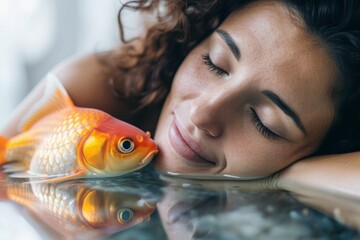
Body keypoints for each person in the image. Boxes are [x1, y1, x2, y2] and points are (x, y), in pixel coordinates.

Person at [1, 1, 360, 194]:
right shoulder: (98, 92)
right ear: (193, 41)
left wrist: (287, 177)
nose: (203, 113)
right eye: (215, 63)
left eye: (264, 121)